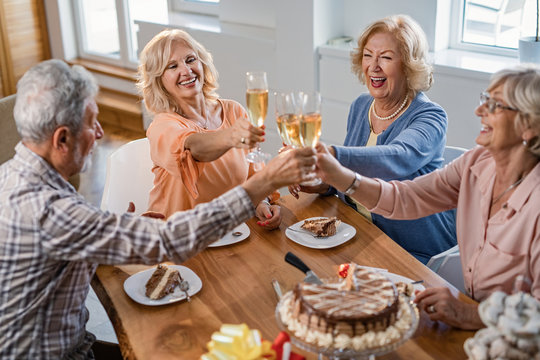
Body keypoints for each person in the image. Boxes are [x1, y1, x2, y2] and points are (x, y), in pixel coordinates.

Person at [0, 59, 316, 359]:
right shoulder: (51, 210)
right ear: (62, 139)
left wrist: (118, 228)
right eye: (93, 122)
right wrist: (264, 182)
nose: (99, 132)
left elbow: (65, 241)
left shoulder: (11, 175)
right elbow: (170, 241)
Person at [315, 64, 540, 329]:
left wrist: (471, 314)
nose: (479, 111)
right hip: (477, 324)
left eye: (495, 106)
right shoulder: (477, 162)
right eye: (484, 100)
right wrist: (340, 176)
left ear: (529, 126)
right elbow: (405, 198)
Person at [289, 15, 456, 264]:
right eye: (368, 55)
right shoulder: (361, 105)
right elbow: (357, 174)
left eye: (386, 57)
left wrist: (331, 155)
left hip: (416, 251)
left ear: (409, 66)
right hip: (363, 234)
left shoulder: (430, 117)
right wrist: (324, 183)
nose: (374, 66)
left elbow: (397, 157)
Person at [138, 29, 280, 229]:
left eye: (190, 60)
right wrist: (230, 137)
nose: (186, 71)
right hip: (179, 239)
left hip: (232, 232)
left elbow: (253, 176)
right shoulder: (162, 126)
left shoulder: (233, 111)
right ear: (159, 81)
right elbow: (194, 148)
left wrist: (262, 203)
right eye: (172, 66)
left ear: (202, 63)